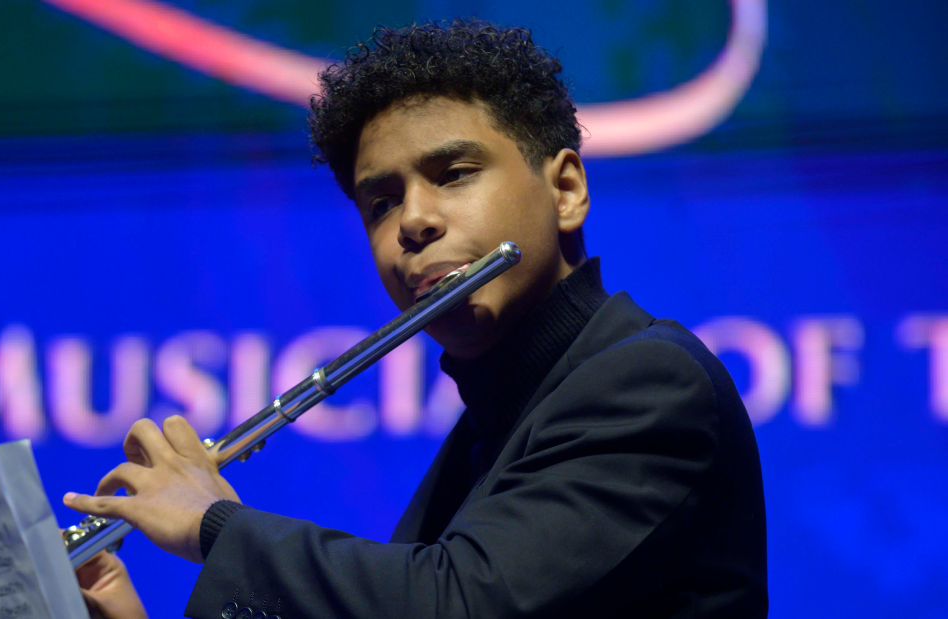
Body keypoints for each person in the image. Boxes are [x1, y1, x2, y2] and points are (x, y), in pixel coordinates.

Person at [63, 19, 768, 619]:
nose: (415, 222)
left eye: (454, 173)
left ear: (566, 190)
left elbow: (459, 602)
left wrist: (216, 524)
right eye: (382, 203)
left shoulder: (647, 380)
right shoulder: (496, 420)